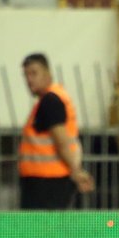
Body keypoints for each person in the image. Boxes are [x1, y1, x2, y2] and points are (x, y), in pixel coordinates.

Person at [17, 53, 94, 209]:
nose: (29, 80)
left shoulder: (50, 101)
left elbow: (62, 141)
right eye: (26, 75)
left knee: (42, 225)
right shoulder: (52, 98)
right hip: (46, 180)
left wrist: (76, 171)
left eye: (34, 73)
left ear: (48, 74)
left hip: (47, 183)